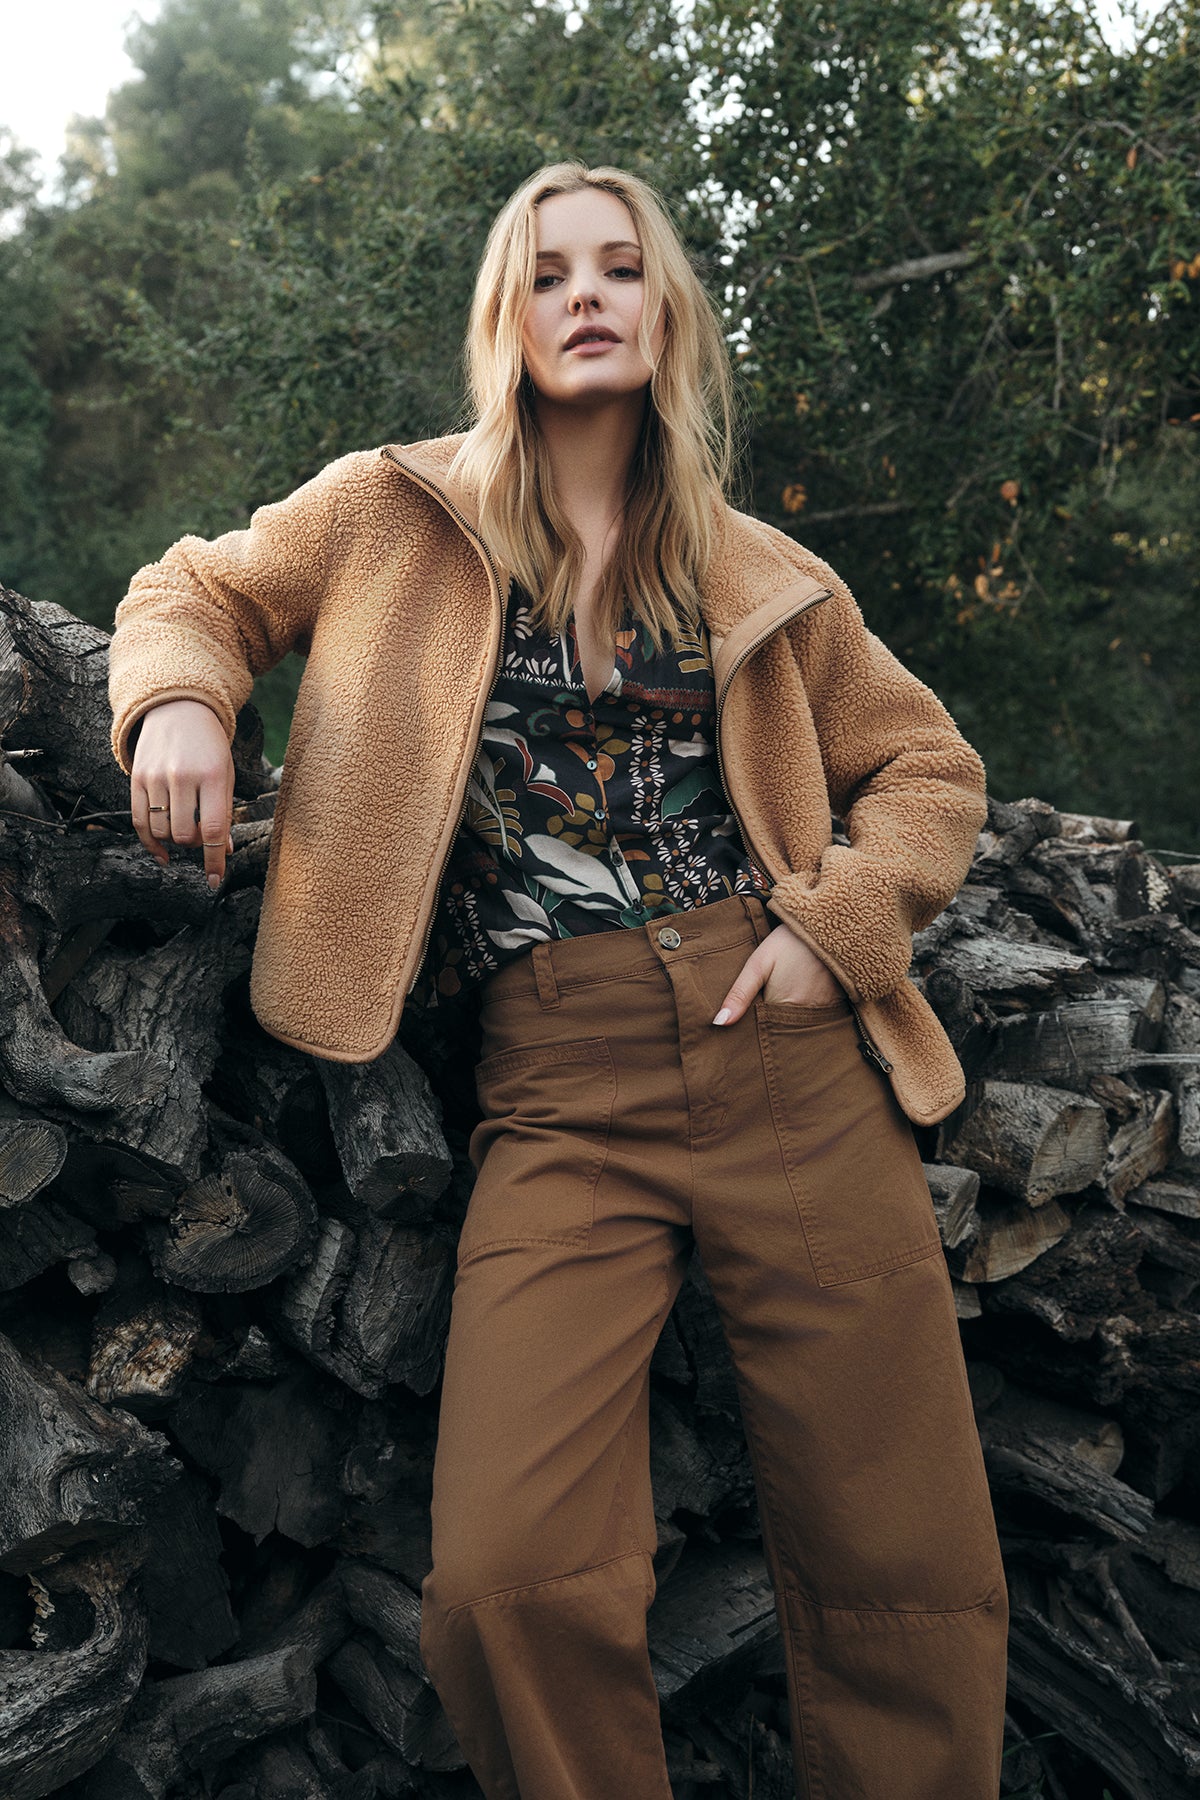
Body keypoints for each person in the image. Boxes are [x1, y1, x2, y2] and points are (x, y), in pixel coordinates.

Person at [108, 160, 1009, 1799]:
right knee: (508, 1577)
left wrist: (843, 928)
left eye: (617, 267)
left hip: (790, 1061)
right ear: (503, 319)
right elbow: (199, 588)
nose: (584, 294)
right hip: (559, 1085)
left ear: (667, 311)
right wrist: (179, 700)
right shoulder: (393, 508)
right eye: (546, 273)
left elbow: (931, 769)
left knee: (903, 1551)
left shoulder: (764, 573)